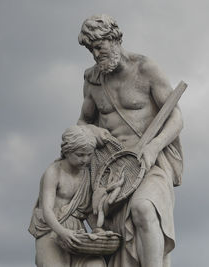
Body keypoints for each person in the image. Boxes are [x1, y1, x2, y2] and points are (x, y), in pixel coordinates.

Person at [77, 14, 184, 267]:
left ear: (115, 39)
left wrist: (154, 146)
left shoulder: (145, 68)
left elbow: (176, 117)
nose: (95, 54)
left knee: (144, 208)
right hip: (112, 175)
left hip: (151, 164)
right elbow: (83, 122)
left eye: (99, 46)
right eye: (91, 49)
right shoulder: (92, 80)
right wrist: (91, 132)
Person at [28, 125, 106, 267]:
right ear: (67, 151)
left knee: (96, 264)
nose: (85, 159)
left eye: (89, 155)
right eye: (80, 155)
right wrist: (62, 232)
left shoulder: (86, 174)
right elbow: (47, 210)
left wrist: (97, 230)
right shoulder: (53, 173)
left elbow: (86, 211)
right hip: (52, 230)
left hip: (76, 233)